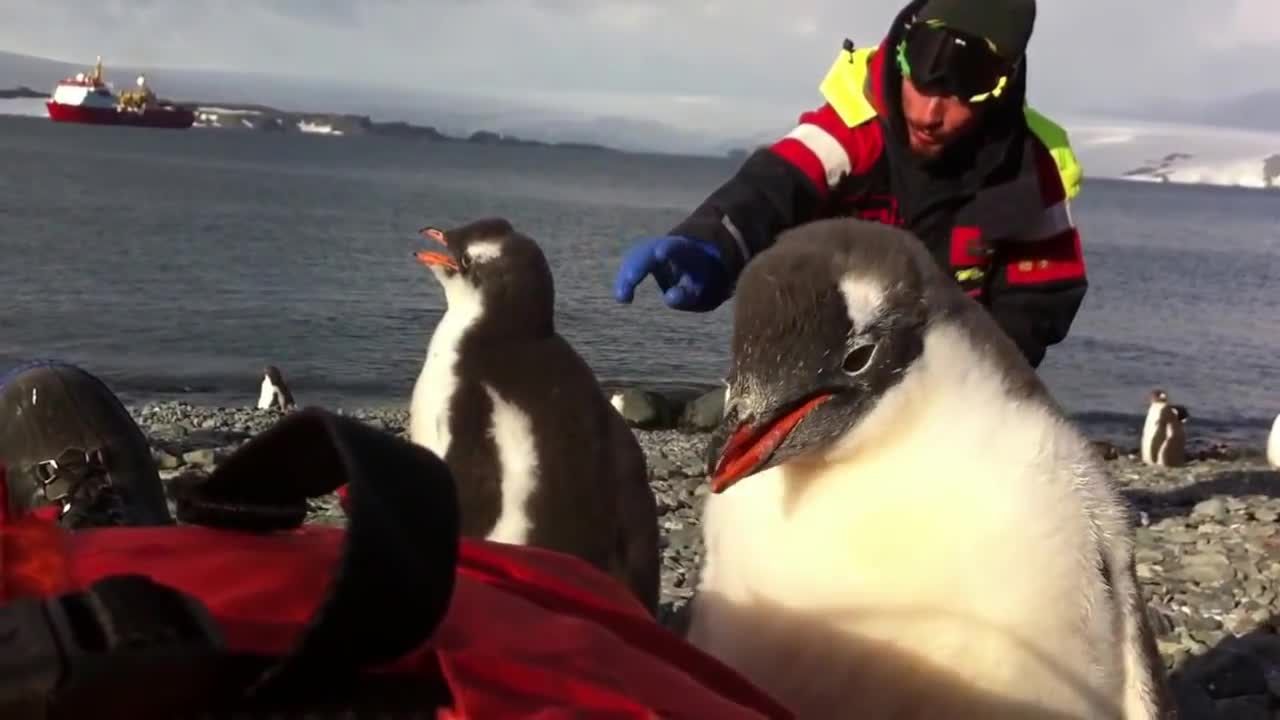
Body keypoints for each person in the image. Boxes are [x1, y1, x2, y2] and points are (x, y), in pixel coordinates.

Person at [613, 0, 1087, 369]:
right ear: (901, 50)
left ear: (1004, 87)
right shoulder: (851, 130)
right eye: (919, 76)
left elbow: (1040, 299)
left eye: (964, 92)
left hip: (946, 383)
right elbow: (767, 190)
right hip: (815, 364)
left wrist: (977, 382)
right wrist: (708, 247)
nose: (928, 114)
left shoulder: (1030, 172)